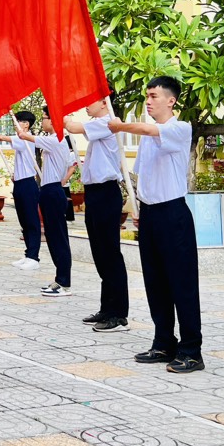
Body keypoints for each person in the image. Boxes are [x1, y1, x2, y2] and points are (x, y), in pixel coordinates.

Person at [107, 76, 202, 374]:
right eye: (147, 96)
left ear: (171, 100)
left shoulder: (178, 128)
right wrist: (139, 206)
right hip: (149, 214)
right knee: (155, 283)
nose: (148, 101)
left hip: (173, 214)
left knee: (181, 284)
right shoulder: (149, 138)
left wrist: (120, 126)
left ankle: (191, 350)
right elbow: (142, 174)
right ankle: (163, 342)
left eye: (153, 96)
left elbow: (149, 128)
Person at [64, 98, 129, 332]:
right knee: (100, 253)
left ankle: (118, 314)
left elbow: (72, 127)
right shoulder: (100, 124)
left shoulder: (108, 122)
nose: (85, 106)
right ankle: (107, 307)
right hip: (94, 193)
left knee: (110, 253)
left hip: (105, 193)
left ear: (104, 101)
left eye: (90, 100)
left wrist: (61, 110)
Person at [25, 111, 77, 297]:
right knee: (54, 237)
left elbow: (25, 136)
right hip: (49, 190)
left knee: (58, 238)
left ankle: (64, 281)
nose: (43, 121)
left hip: (53, 190)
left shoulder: (56, 139)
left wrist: (20, 126)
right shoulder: (53, 139)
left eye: (45, 117)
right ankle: (59, 279)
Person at [0, 111, 41, 270]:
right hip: (19, 183)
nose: (15, 124)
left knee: (31, 221)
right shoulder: (22, 139)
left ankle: (34, 256)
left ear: (26, 124)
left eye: (18, 121)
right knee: (23, 221)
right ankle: (28, 254)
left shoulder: (26, 139)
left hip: (28, 184)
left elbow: (9, 139)